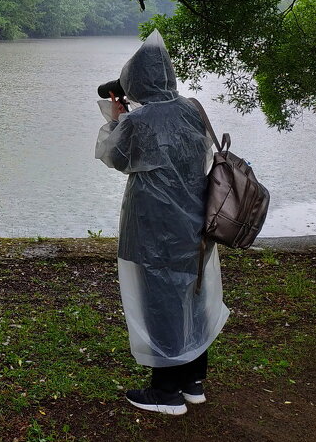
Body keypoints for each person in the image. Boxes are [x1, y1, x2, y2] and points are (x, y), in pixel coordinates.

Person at [95, 31, 229, 416]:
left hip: (155, 226)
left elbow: (115, 156)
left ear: (136, 81)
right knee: (193, 295)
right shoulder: (192, 108)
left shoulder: (142, 120)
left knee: (161, 303)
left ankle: (166, 392)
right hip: (196, 220)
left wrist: (118, 117)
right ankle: (193, 381)